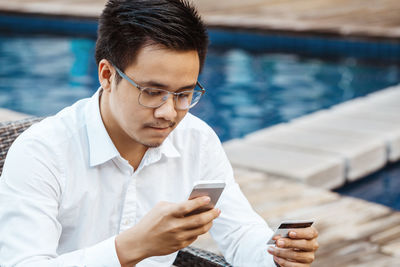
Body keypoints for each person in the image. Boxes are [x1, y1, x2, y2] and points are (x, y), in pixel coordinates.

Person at [0, 0, 319, 266]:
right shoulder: (42, 152)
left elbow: (237, 233)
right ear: (108, 75)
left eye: (184, 94)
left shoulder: (197, 140)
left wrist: (277, 253)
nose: (169, 113)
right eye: (152, 92)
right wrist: (129, 247)